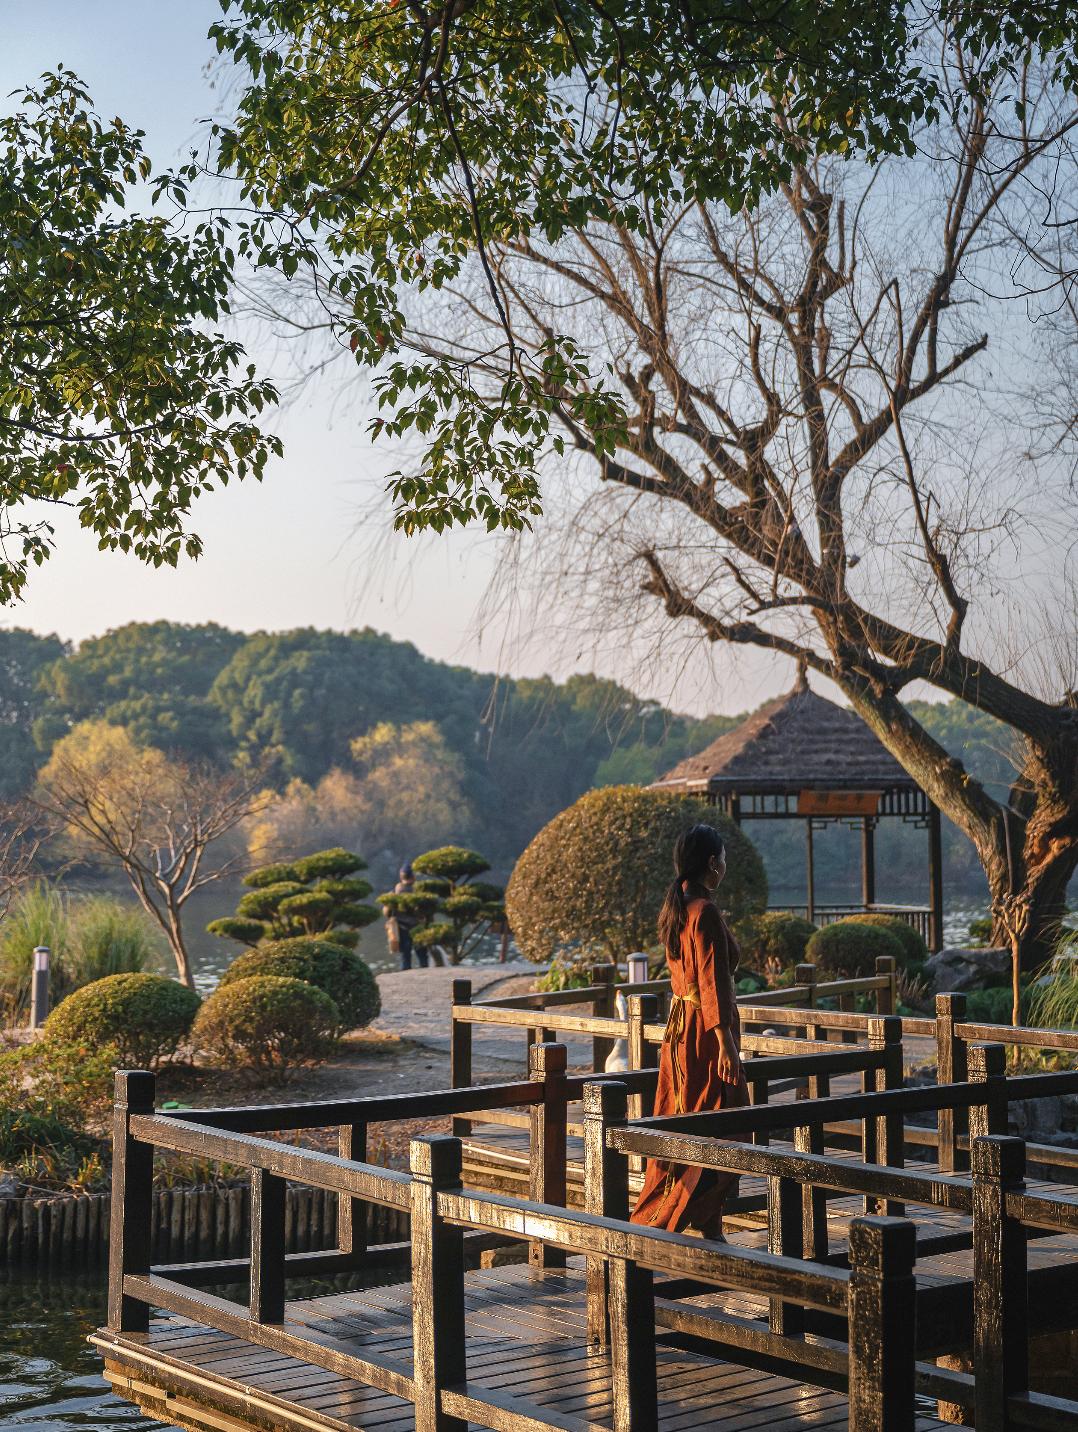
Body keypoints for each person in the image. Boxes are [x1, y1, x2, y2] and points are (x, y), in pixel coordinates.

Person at [630, 823, 748, 1239]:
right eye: (724, 859)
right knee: (731, 1126)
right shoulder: (704, 912)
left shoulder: (677, 908)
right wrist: (727, 1047)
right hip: (704, 1036)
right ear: (713, 863)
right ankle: (679, 1218)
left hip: (680, 1034)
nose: (726, 866)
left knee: (686, 1123)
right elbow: (712, 982)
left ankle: (704, 1221)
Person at [385, 862, 428, 971]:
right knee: (423, 958)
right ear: (413, 876)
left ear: (401, 876)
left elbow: (387, 912)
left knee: (405, 958)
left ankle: (406, 980)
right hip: (418, 927)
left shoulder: (395, 892)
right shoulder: (419, 892)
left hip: (401, 928)